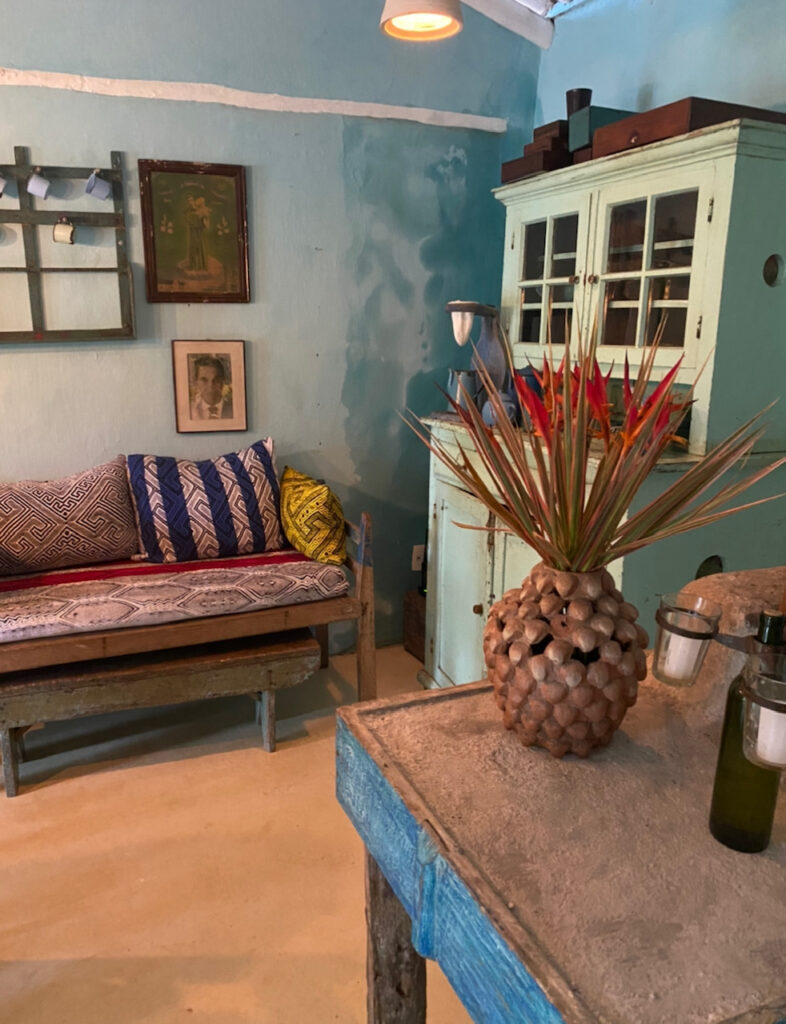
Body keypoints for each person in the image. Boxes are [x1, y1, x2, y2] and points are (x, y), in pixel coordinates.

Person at [189, 355, 233, 420]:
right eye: (204, 380)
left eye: (216, 379)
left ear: (222, 382)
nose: (210, 385)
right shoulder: (191, 412)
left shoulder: (234, 409)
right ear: (196, 382)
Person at [185, 194, 210, 272]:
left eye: (191, 200)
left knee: (201, 246)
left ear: (194, 201)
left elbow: (205, 219)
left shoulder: (200, 209)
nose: (190, 202)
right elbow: (189, 219)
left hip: (200, 231)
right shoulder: (188, 211)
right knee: (193, 247)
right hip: (193, 232)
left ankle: (202, 265)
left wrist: (203, 217)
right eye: (189, 201)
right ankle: (193, 265)